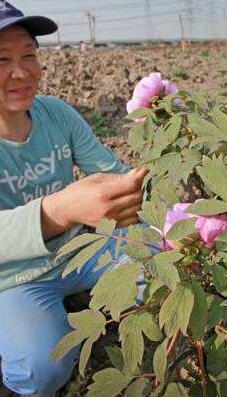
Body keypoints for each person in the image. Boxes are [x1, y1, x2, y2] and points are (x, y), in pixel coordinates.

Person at [0, 3, 147, 396]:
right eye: (2, 59)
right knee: (40, 368)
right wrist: (59, 209)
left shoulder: (57, 115)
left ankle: (82, 300)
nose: (20, 71)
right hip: (14, 279)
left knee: (161, 266)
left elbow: (114, 173)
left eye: (28, 54)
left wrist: (172, 218)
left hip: (79, 251)